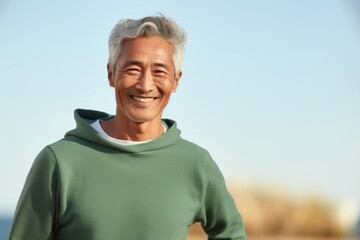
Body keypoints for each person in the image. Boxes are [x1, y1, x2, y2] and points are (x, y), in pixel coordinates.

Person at [9, 15, 247, 240]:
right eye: (133, 69)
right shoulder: (59, 162)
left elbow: (231, 233)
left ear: (176, 80)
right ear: (111, 74)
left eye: (159, 71)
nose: (145, 85)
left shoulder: (196, 164)